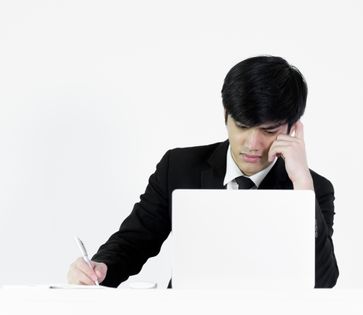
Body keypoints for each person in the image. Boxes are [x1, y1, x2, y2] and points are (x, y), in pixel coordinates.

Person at [67, 55, 339, 288]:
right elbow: (133, 242)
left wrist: (302, 185)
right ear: (225, 115)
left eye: (269, 131)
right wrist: (98, 269)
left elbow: (323, 282)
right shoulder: (180, 166)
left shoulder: (314, 189)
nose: (252, 144)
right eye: (242, 126)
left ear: (292, 128)